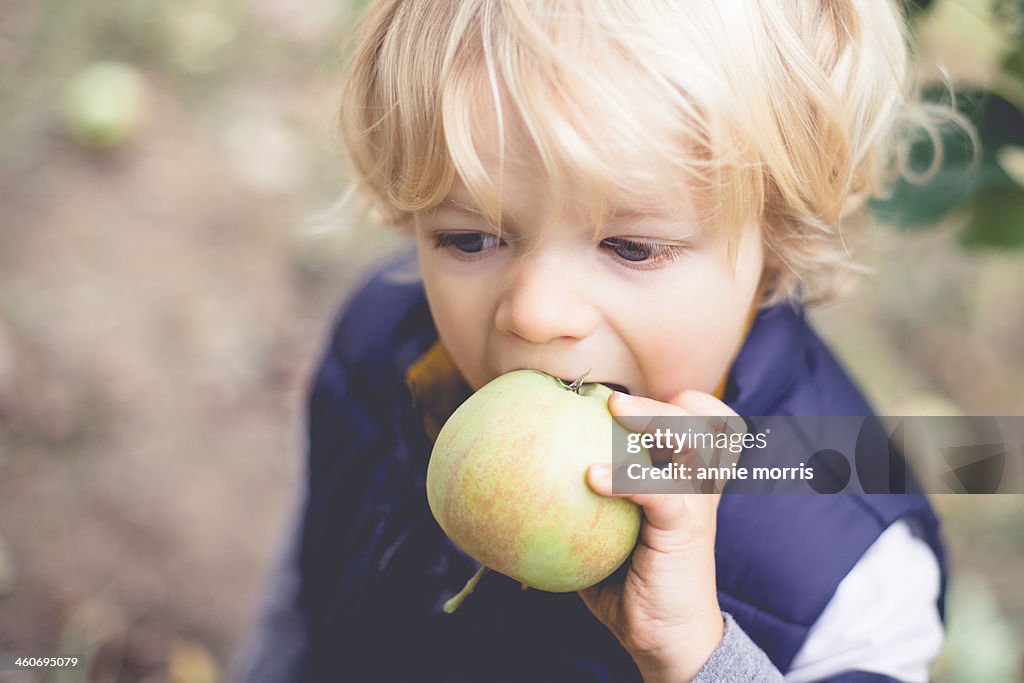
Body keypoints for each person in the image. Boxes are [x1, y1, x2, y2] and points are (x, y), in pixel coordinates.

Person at [231, 0, 955, 680]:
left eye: (632, 247)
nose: (537, 313)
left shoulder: (841, 542)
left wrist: (698, 659)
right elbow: (304, 601)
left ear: (779, 240)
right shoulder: (383, 341)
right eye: (471, 236)